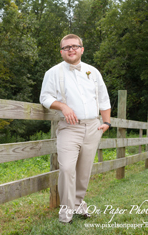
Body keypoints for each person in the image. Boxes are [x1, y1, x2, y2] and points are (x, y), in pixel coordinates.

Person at [40, 34, 112, 224]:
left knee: (84, 170)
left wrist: (107, 123)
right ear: (61, 52)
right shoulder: (53, 73)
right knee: (67, 168)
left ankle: (79, 204)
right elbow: (45, 97)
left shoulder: (93, 72)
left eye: (74, 46)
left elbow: (103, 99)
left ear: (82, 49)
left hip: (93, 127)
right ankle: (66, 211)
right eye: (66, 47)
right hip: (69, 127)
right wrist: (63, 106)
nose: (70, 50)